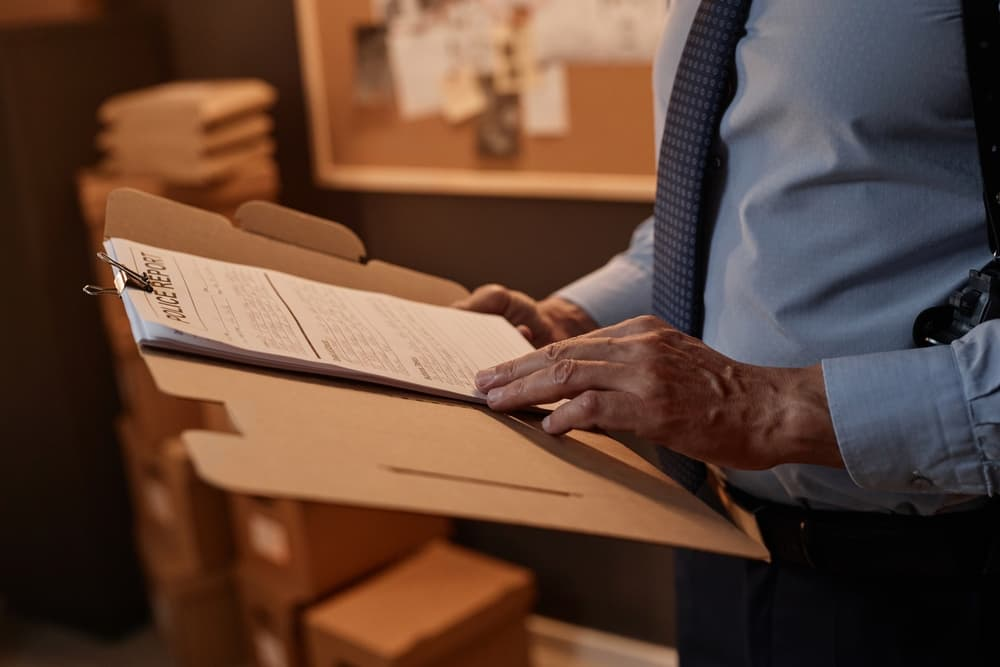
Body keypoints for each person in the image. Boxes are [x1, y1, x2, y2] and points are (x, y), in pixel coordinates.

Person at [455, 1, 1000, 665]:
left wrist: (771, 408)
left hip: (927, 587)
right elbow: (702, 225)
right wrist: (569, 321)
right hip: (717, 548)